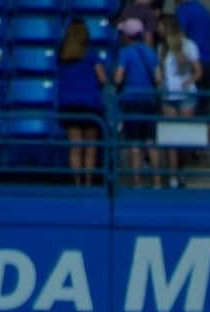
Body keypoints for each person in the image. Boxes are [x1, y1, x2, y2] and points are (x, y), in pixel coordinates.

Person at [57, 20, 108, 187]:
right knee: (90, 147)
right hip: (90, 105)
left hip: (68, 105)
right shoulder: (92, 55)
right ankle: (88, 182)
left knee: (75, 147)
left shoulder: (62, 55)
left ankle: (77, 183)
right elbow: (102, 79)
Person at [114, 19, 163, 189]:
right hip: (149, 101)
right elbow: (158, 78)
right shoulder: (150, 52)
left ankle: (137, 182)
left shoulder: (125, 53)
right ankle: (157, 182)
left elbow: (118, 78)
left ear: (127, 36)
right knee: (151, 142)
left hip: (132, 101)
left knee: (134, 144)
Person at [157, 13, 202, 187]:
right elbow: (160, 71)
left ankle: (181, 169)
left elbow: (198, 71)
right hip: (168, 96)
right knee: (171, 138)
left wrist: (188, 81)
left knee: (183, 137)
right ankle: (173, 176)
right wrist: (160, 80)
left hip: (186, 96)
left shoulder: (189, 45)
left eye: (160, 26)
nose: (157, 29)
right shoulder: (161, 48)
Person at [176, 0, 210, 118]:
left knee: (188, 106)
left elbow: (180, 39)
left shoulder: (183, 11)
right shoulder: (206, 11)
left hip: (193, 64)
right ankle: (207, 136)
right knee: (205, 107)